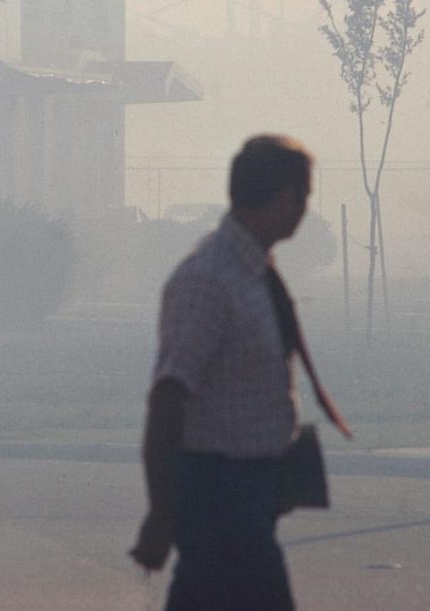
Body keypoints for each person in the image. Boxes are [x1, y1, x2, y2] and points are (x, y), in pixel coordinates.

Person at [130, 134, 352, 609]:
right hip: (219, 493)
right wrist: (162, 512)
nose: (305, 209)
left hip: (250, 492)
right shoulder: (209, 279)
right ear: (286, 197)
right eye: (304, 196)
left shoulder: (252, 271)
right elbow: (168, 397)